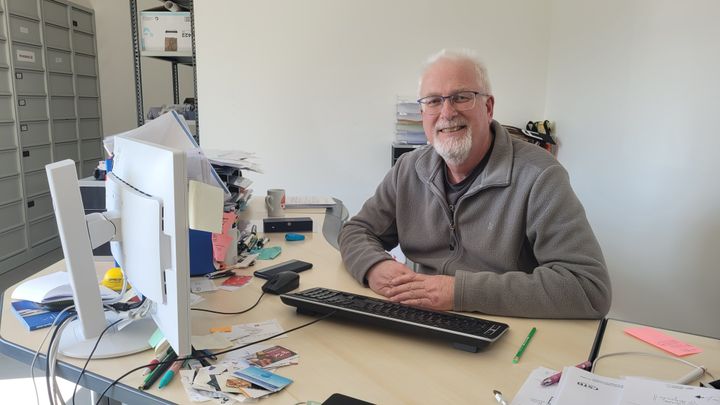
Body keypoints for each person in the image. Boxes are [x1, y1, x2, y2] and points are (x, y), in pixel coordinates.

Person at [338, 49, 611, 319]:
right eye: (433, 101)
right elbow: (356, 230)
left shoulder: (540, 176)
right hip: (423, 318)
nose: (447, 112)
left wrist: (459, 292)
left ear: (488, 107)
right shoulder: (408, 169)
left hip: (503, 327)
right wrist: (373, 266)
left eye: (461, 97)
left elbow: (588, 288)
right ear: (422, 113)